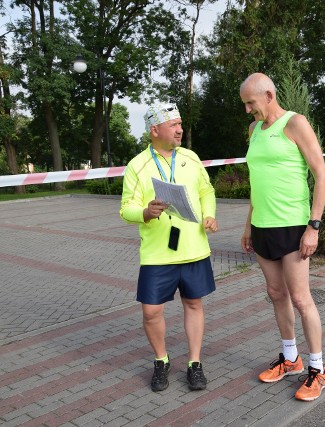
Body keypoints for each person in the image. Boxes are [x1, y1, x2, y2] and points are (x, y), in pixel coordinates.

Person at [239, 73, 325, 402]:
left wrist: (313, 226)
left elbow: (321, 174)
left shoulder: (295, 123)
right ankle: (291, 359)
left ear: (269, 94)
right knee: (276, 293)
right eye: (245, 104)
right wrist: (249, 225)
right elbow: (256, 181)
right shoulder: (253, 131)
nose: (248, 110)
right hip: (262, 226)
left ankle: (318, 370)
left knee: (302, 299)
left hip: (293, 226)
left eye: (251, 103)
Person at [120, 102, 218, 392]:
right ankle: (161, 360)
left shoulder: (190, 157)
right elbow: (126, 208)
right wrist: (145, 213)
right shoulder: (137, 165)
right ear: (155, 130)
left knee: (194, 303)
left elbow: (206, 191)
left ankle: (194, 363)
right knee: (151, 311)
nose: (180, 129)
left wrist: (210, 214)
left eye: (180, 123)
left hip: (193, 248)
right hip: (156, 253)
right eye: (174, 124)